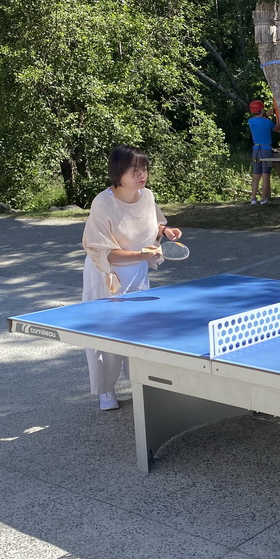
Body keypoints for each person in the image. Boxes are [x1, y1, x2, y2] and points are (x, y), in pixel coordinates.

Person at [81, 145, 182, 411]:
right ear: (118, 172)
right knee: (105, 335)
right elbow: (107, 254)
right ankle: (106, 390)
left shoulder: (147, 196)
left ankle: (140, 383)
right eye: (134, 170)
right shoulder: (102, 202)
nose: (142, 175)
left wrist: (166, 231)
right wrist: (141, 254)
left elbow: (154, 223)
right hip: (106, 276)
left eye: (145, 169)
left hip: (137, 273)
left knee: (139, 332)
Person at [247, 99, 279, 205]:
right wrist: (275, 117)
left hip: (255, 150)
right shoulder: (267, 122)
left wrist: (266, 115)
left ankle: (253, 199)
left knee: (256, 176)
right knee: (266, 176)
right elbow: (276, 129)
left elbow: (260, 121)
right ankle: (264, 199)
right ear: (261, 109)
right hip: (266, 150)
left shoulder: (250, 121)